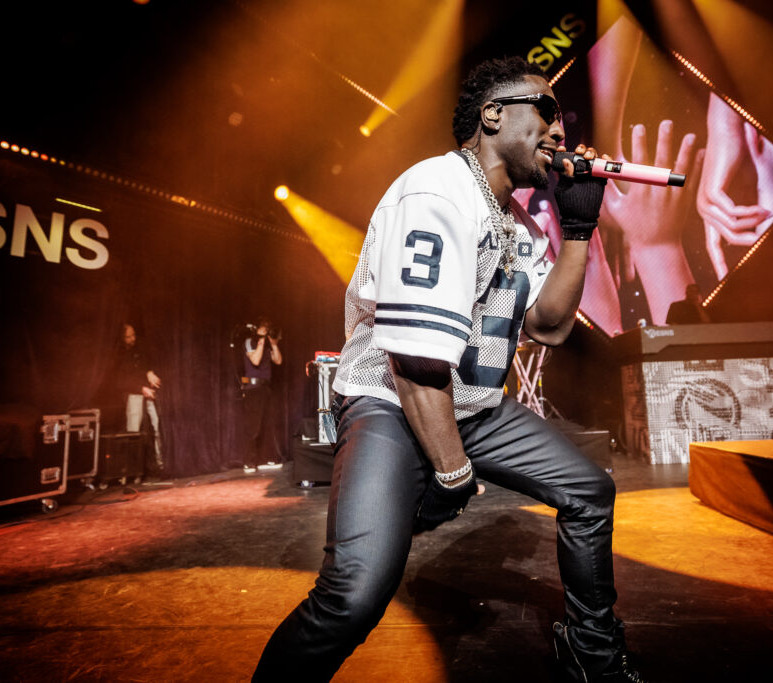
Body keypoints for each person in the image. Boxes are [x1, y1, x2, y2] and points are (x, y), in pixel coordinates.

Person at [253, 57, 643, 682]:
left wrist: (578, 228)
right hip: (392, 400)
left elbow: (549, 326)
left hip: (472, 405)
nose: (560, 131)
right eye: (546, 110)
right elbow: (413, 363)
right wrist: (453, 471)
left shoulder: (515, 222)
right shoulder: (436, 192)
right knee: (354, 594)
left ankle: (591, 652)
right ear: (493, 115)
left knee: (588, 492)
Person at [115, 323, 164, 478]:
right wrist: (141, 388)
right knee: (133, 431)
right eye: (128, 336)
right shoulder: (120, 355)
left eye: (133, 335)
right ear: (122, 338)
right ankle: (132, 468)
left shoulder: (139, 350)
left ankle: (160, 462)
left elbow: (144, 366)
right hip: (134, 394)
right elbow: (122, 381)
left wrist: (150, 373)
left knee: (157, 425)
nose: (132, 339)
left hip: (147, 393)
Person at [240, 317, 283, 473]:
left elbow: (278, 361)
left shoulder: (267, 346)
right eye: (264, 328)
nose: (266, 331)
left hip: (266, 387)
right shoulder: (249, 342)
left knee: (267, 424)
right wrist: (261, 340)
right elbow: (255, 360)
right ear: (257, 329)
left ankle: (266, 459)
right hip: (253, 388)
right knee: (253, 426)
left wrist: (274, 344)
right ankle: (249, 462)